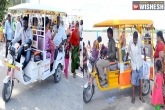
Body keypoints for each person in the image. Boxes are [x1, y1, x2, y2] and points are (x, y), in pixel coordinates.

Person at [126, 31, 146, 104]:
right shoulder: (130, 42)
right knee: (133, 83)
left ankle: (141, 96)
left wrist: (145, 57)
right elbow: (128, 51)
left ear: (137, 38)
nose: (135, 40)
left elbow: (143, 48)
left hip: (140, 64)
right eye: (134, 38)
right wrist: (126, 58)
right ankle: (133, 97)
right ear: (133, 37)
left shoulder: (140, 41)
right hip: (134, 65)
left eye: (136, 38)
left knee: (141, 80)